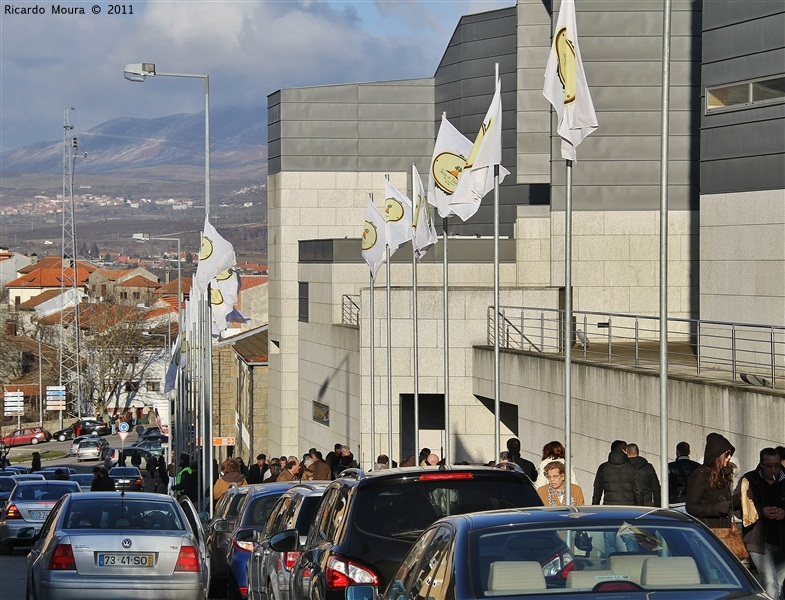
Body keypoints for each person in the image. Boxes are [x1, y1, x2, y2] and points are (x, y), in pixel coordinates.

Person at [737, 447, 785, 599]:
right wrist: (760, 511)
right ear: (761, 464)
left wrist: (784, 512)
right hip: (759, 540)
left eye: (776, 465)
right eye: (768, 465)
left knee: (779, 581)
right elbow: (739, 508)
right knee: (770, 583)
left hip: (782, 540)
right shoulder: (749, 480)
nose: (773, 469)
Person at [686, 432, 737, 529]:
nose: (729, 457)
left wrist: (739, 499)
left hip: (724, 529)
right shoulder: (700, 475)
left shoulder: (723, 473)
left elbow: (725, 503)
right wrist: (716, 508)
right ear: (717, 456)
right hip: (709, 531)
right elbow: (691, 507)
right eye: (726, 454)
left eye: (730, 453)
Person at [592, 440, 642, 505]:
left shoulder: (603, 467)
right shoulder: (632, 468)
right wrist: (639, 506)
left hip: (609, 507)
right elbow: (638, 490)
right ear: (624, 450)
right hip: (629, 508)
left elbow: (597, 491)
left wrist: (595, 506)